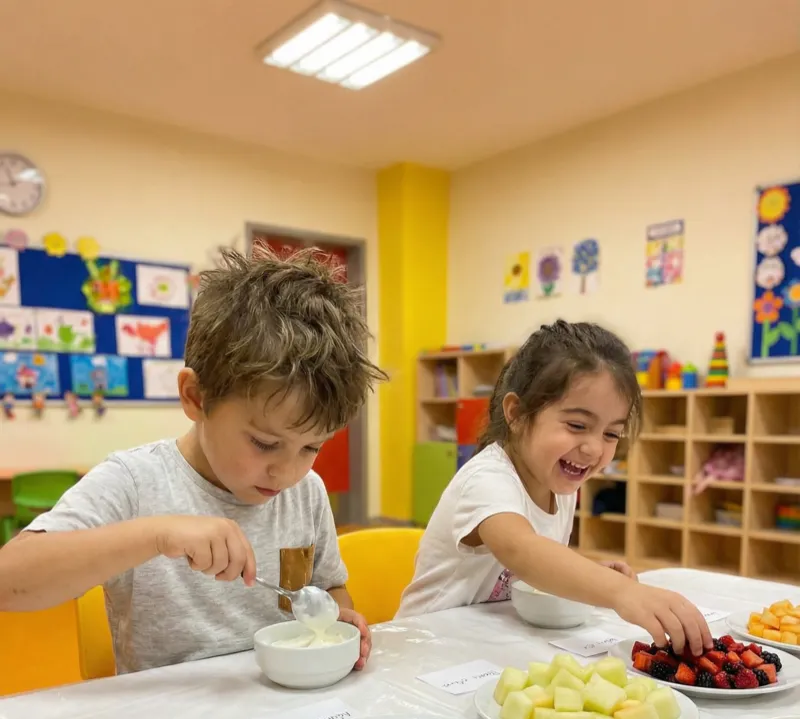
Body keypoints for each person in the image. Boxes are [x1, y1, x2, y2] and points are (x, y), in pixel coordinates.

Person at [0, 248, 386, 673]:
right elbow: (10, 581)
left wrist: (339, 619)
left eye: (312, 447)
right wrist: (155, 534)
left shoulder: (304, 491)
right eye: (263, 443)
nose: (288, 472)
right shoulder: (135, 483)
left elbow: (328, 586)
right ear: (195, 397)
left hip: (278, 716)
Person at [397, 320, 712, 655]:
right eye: (577, 425)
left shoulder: (559, 484)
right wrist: (619, 591)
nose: (594, 448)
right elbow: (521, 550)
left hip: (485, 647)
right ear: (517, 414)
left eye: (611, 434)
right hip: (427, 649)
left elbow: (534, 569)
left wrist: (587, 575)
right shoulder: (487, 479)